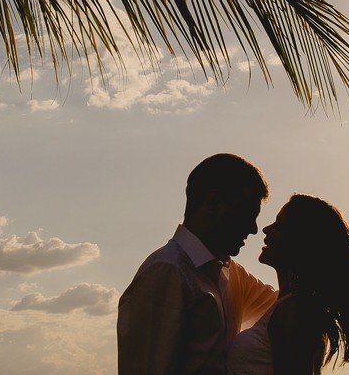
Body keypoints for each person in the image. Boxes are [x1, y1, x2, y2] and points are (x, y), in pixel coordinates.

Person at [226, 194, 349, 375]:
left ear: (299, 241)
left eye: (279, 225)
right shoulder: (289, 306)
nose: (266, 229)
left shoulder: (293, 312)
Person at [118, 153, 278, 374]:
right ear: (213, 203)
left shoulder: (232, 274)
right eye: (246, 213)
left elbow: (283, 305)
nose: (253, 229)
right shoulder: (166, 271)